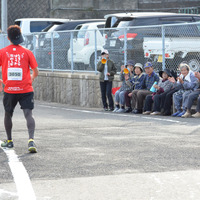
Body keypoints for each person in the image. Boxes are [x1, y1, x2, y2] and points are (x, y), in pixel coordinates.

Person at [0, 25, 39, 153]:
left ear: (8, 38)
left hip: (10, 89)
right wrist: (31, 79)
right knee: (28, 114)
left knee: (8, 113)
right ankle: (31, 140)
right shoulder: (27, 52)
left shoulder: (3, 52)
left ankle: (10, 141)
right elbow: (36, 71)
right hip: (26, 90)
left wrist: (1, 80)